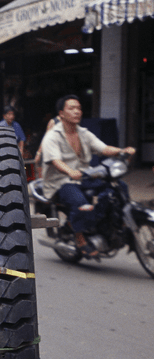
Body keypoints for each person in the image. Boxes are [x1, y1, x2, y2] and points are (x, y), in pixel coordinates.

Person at [41, 94, 135, 258]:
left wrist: (122, 151)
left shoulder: (84, 133)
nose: (77, 111)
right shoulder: (52, 136)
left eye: (79, 108)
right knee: (80, 203)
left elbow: (103, 148)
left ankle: (118, 223)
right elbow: (55, 160)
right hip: (61, 182)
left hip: (84, 177)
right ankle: (80, 238)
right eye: (72, 108)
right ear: (61, 114)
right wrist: (70, 171)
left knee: (119, 188)